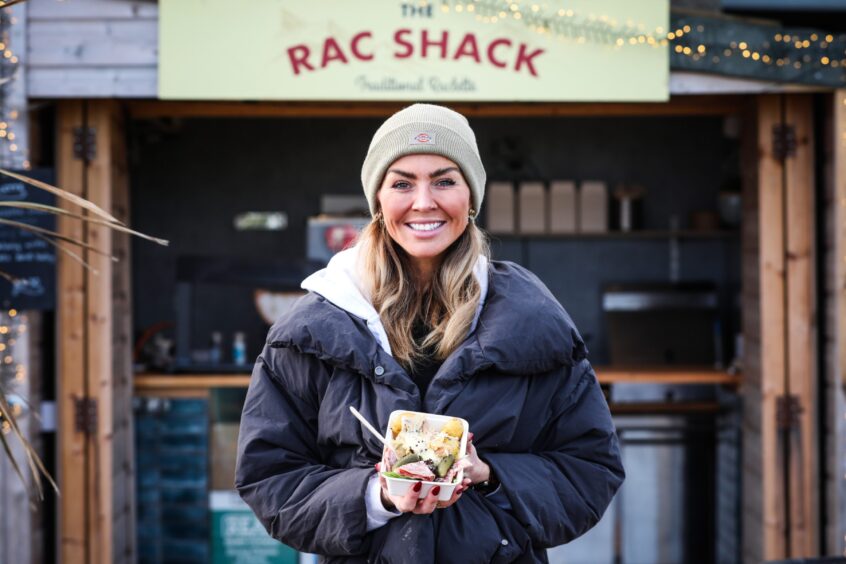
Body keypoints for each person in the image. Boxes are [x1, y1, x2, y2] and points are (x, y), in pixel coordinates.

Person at [235, 104, 625, 563]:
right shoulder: (311, 330)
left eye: (444, 180)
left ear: (471, 197)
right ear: (378, 200)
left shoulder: (535, 322)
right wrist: (377, 496)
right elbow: (269, 478)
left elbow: (590, 469)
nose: (424, 202)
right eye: (402, 183)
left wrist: (488, 474)